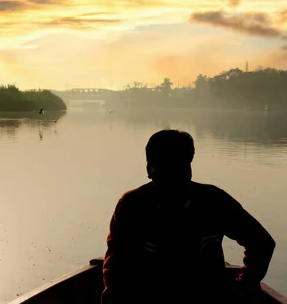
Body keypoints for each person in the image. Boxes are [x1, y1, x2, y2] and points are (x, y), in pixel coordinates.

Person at [101, 129, 276, 303]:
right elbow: (115, 273)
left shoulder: (214, 201)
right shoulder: (132, 206)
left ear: (190, 167)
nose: (174, 177)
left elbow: (262, 243)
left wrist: (245, 285)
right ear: (149, 170)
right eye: (166, 168)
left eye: (180, 167)